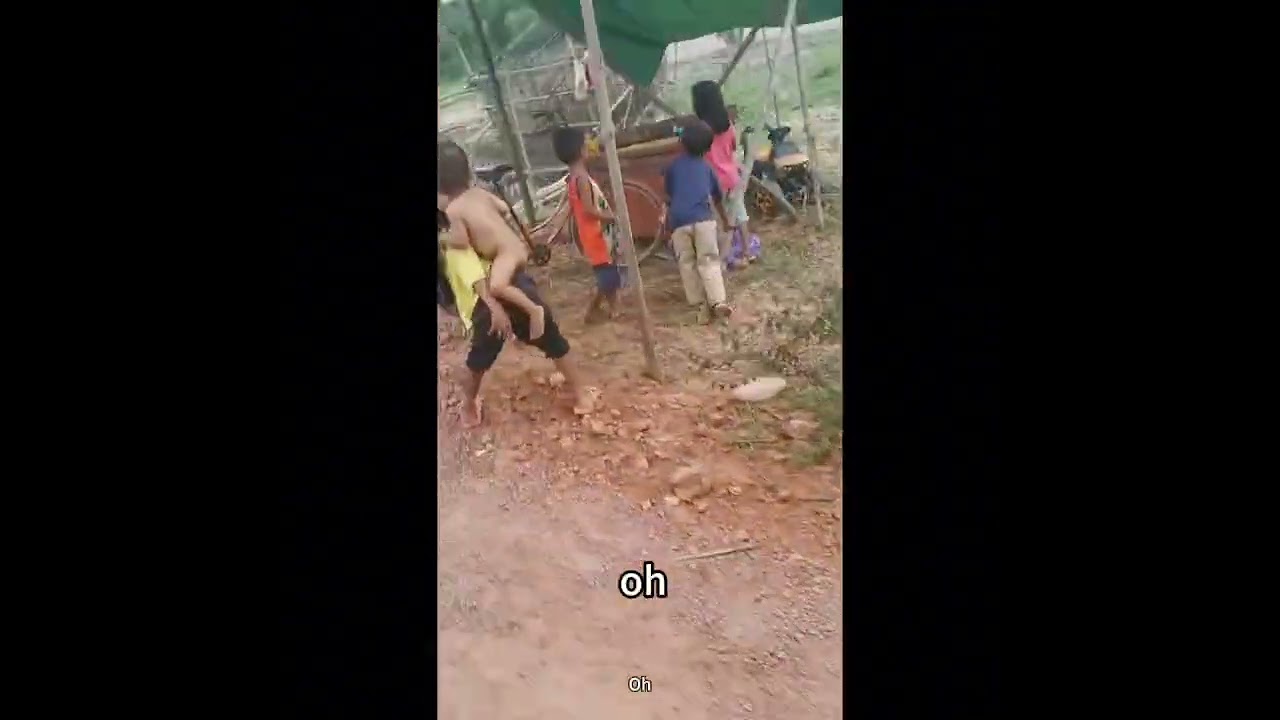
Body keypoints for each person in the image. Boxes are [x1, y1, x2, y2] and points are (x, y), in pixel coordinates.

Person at [437, 195, 593, 427]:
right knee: (552, 338)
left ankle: (469, 403)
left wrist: (493, 305)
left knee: (479, 358)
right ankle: (582, 392)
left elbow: (473, 275)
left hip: (488, 302)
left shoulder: (455, 235)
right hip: (517, 282)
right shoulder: (482, 206)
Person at [438, 141, 548, 340]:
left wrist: (444, 238)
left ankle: (534, 310)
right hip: (516, 246)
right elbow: (505, 209)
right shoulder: (481, 194)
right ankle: (524, 322)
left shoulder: (453, 210)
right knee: (513, 286)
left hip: (504, 254)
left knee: (497, 287)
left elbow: (461, 241)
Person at [661, 120, 734, 321]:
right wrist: (726, 221)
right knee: (709, 260)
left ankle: (700, 306)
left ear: (682, 143)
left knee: (687, 263)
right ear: (708, 148)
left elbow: (668, 197)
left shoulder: (672, 167)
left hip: (679, 223)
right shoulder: (707, 168)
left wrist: (668, 225)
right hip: (704, 221)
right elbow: (718, 198)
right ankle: (718, 301)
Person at [552, 126, 622, 324]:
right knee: (607, 275)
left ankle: (611, 307)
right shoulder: (582, 179)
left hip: (590, 233)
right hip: (596, 233)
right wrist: (610, 216)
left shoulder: (574, 177)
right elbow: (589, 210)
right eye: (587, 144)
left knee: (608, 272)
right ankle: (595, 308)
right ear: (581, 150)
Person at [692, 80, 761, 269]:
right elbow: (732, 148)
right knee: (740, 215)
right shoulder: (728, 125)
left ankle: (721, 261)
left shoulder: (701, 129)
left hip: (714, 181)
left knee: (723, 222)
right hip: (732, 177)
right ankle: (747, 252)